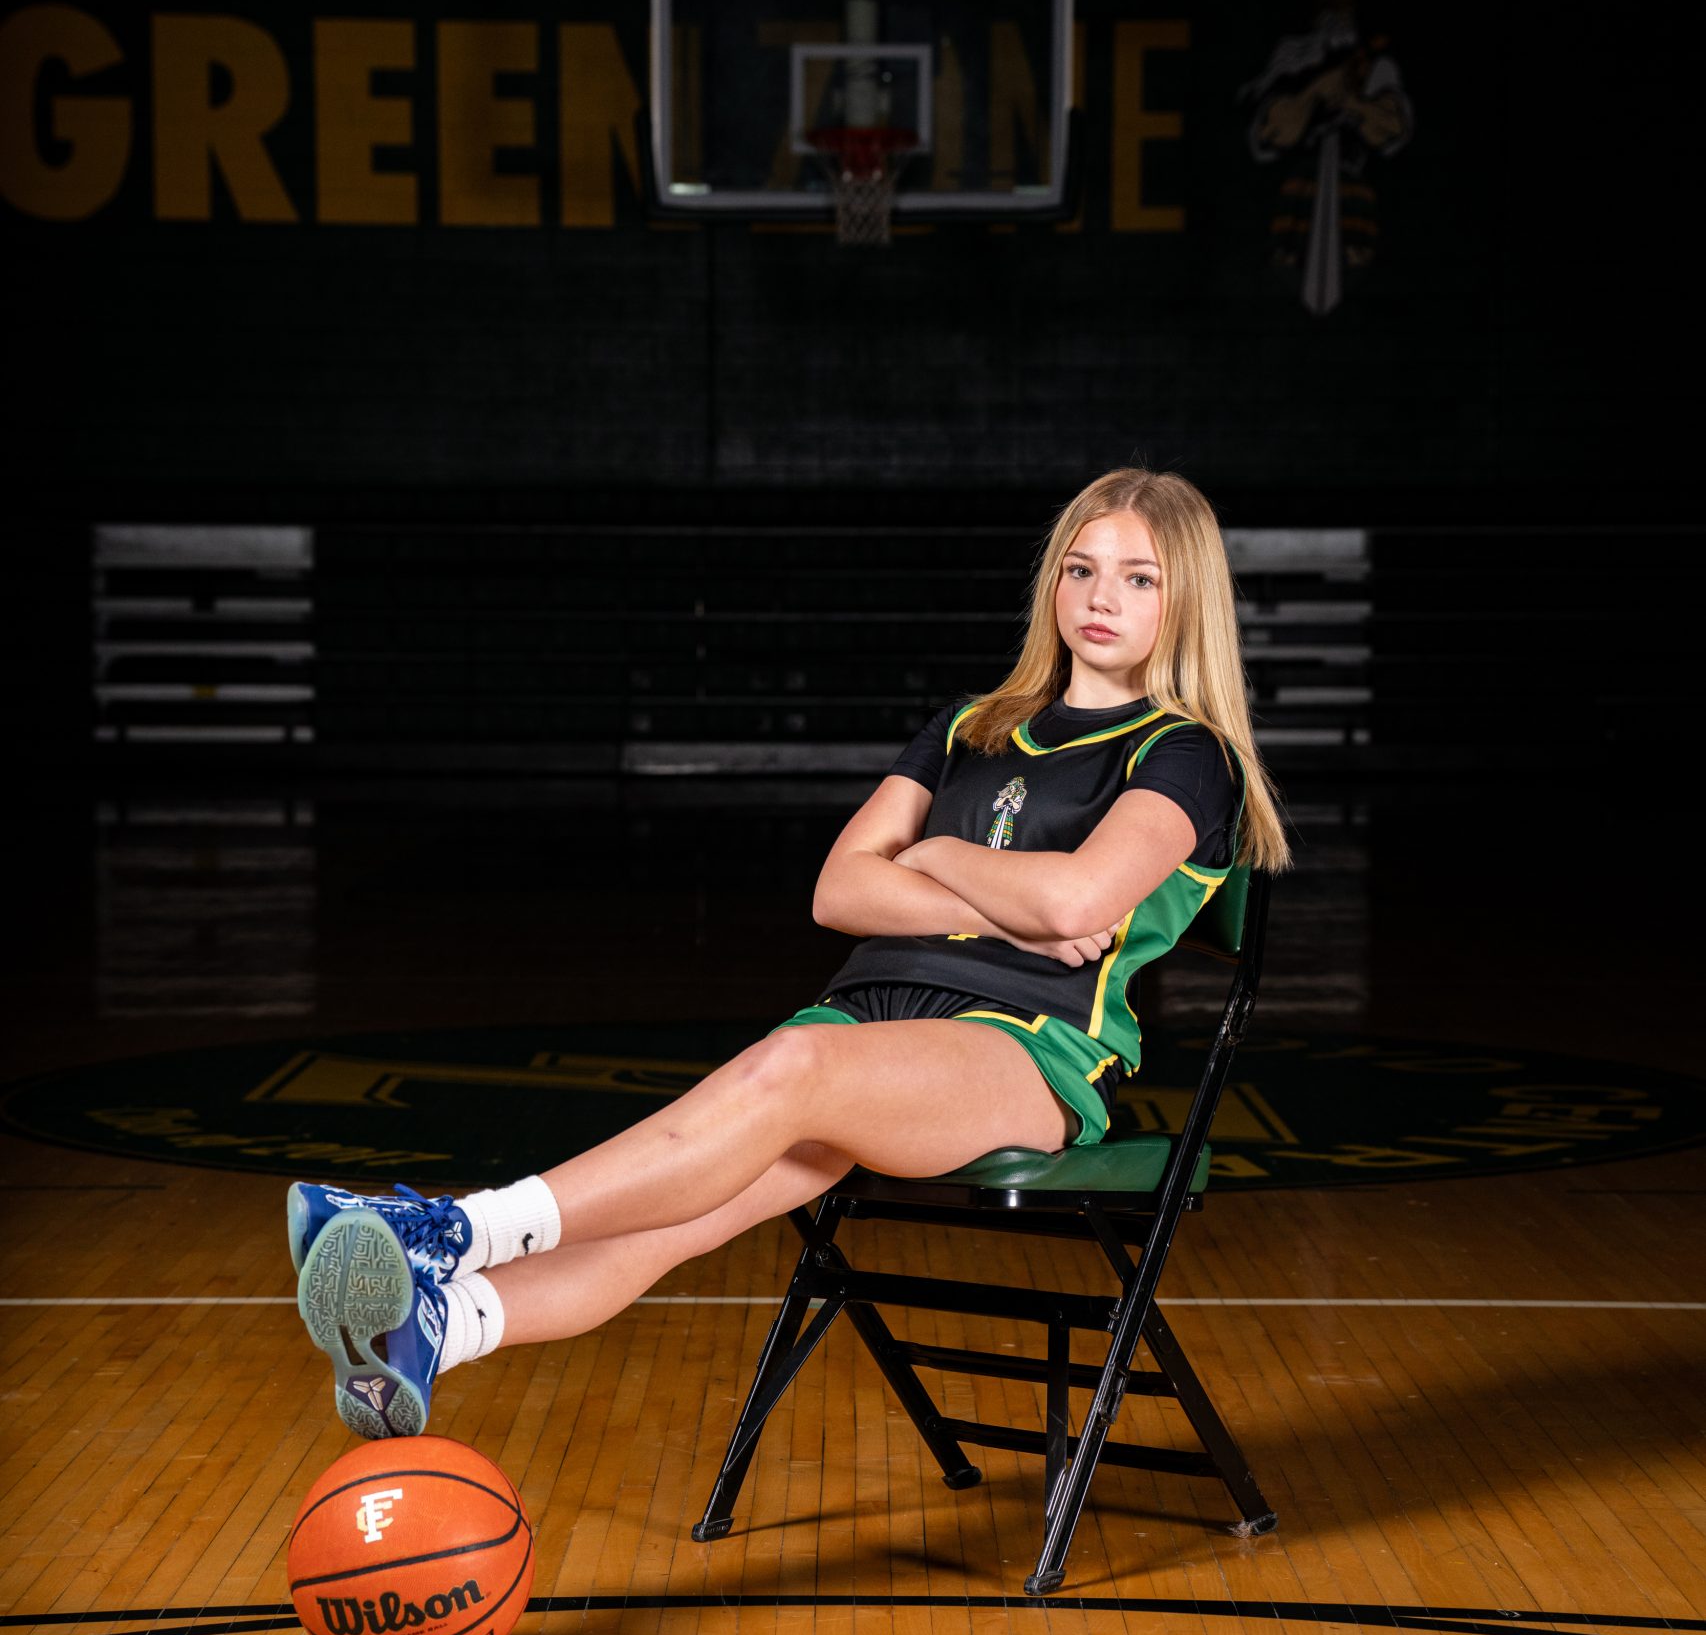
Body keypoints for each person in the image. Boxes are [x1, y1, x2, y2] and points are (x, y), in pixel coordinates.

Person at [290, 467, 1290, 1439]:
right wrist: (1004, 906)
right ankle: (447, 1324)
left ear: (1185, 601)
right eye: (1081, 569)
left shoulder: (1185, 753)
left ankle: (453, 1232)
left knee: (793, 1064)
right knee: (677, 1215)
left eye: (1139, 578)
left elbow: (1076, 899)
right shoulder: (968, 726)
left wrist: (933, 854)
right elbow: (840, 890)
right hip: (870, 1009)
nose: (1101, 597)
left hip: (1027, 1046)